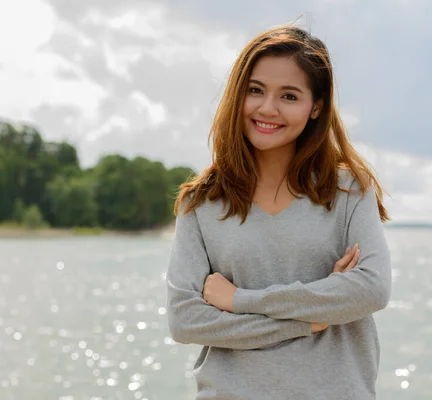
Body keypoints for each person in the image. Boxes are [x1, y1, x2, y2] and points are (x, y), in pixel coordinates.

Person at [165, 24, 392, 400]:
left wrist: (240, 301)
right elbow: (186, 321)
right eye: (255, 90)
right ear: (238, 94)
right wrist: (313, 319)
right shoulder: (201, 203)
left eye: (289, 95)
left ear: (316, 106)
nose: (267, 108)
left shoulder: (349, 190)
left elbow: (371, 290)